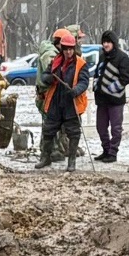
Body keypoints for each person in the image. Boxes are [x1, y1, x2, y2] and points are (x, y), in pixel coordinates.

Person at [36, 27, 91, 169]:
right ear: (62, 49)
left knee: (74, 132)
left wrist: (75, 90)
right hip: (55, 101)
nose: (68, 52)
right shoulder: (55, 61)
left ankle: (71, 162)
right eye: (66, 49)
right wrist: (49, 78)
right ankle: (45, 157)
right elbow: (45, 76)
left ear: (74, 48)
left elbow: (84, 82)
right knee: (48, 130)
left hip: (71, 102)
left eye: (70, 49)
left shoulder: (81, 64)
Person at [92, 29, 129, 164]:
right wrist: (96, 86)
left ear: (114, 43)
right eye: (104, 42)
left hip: (116, 100)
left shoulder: (123, 58)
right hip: (101, 100)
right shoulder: (102, 56)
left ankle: (113, 152)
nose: (106, 44)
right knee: (101, 127)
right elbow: (97, 73)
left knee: (116, 128)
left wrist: (110, 89)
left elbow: (125, 78)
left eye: (108, 42)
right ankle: (106, 149)